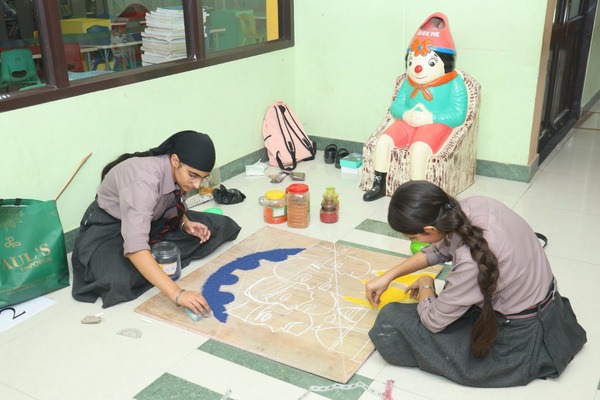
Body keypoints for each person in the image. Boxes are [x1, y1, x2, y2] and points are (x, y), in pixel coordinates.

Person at [365, 180, 586, 387]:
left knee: (391, 319)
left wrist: (425, 284)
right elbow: (439, 250)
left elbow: (434, 321)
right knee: (437, 306)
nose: (415, 242)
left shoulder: (470, 262)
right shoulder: (475, 205)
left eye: (412, 238)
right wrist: (390, 275)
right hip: (547, 305)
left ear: (430, 230)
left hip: (520, 334)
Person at [71, 131, 241, 317]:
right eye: (193, 175)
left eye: (203, 177)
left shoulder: (178, 174)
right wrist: (178, 294)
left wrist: (185, 224)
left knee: (219, 226)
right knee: (117, 279)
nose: (197, 185)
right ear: (175, 160)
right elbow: (135, 247)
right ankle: (151, 262)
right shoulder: (144, 182)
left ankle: (152, 262)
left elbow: (168, 206)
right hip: (108, 226)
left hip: (151, 220)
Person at [363, 12, 468, 201]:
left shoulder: (455, 83)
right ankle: (379, 184)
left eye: (429, 62)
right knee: (383, 141)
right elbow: (395, 107)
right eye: (412, 61)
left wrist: (432, 118)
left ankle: (417, 194)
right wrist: (405, 114)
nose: (417, 68)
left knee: (419, 149)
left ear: (445, 63)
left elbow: (458, 115)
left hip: (435, 126)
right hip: (407, 123)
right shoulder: (408, 82)